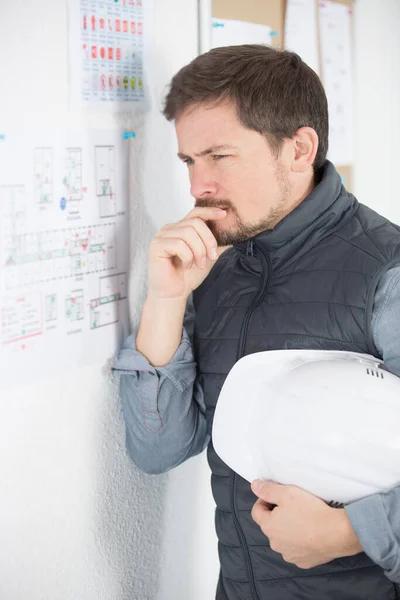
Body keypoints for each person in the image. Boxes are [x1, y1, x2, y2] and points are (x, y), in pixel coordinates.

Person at [113, 44, 400, 600]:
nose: (199, 186)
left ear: (299, 149)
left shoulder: (386, 271)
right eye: (189, 161)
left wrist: (348, 533)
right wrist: (167, 298)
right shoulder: (213, 266)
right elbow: (158, 450)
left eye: (219, 156)